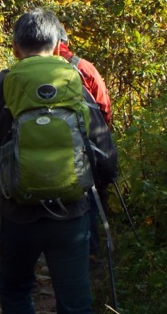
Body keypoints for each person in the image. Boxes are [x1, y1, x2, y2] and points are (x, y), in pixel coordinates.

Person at [0, 8, 118, 314]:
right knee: (75, 299)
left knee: (16, 291)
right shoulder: (74, 82)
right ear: (56, 46)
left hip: (17, 213)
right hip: (72, 214)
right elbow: (105, 153)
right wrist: (101, 183)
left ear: (15, 48)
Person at [56, 22, 113, 265]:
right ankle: (88, 251)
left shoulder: (31, 69)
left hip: (50, 146)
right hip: (86, 142)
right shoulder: (84, 67)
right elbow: (103, 107)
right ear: (66, 41)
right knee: (88, 193)